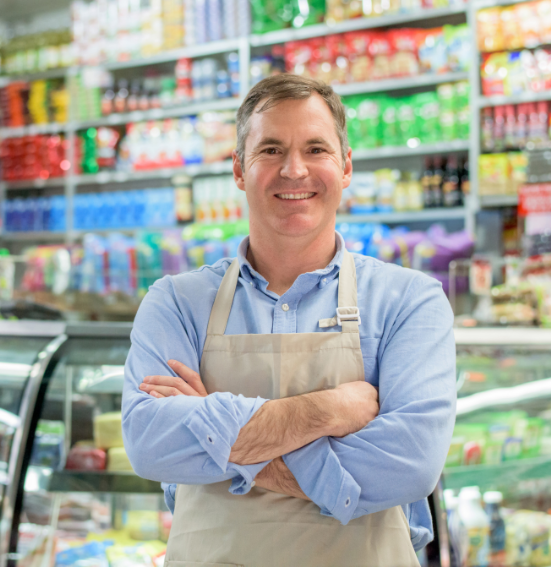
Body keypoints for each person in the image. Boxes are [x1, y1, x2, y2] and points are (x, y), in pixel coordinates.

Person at [122, 74, 457, 566]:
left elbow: (410, 465)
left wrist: (218, 435)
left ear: (345, 168)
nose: (294, 170)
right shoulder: (176, 302)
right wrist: (329, 411)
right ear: (239, 170)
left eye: (316, 149)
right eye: (271, 150)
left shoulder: (410, 301)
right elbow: (151, 443)